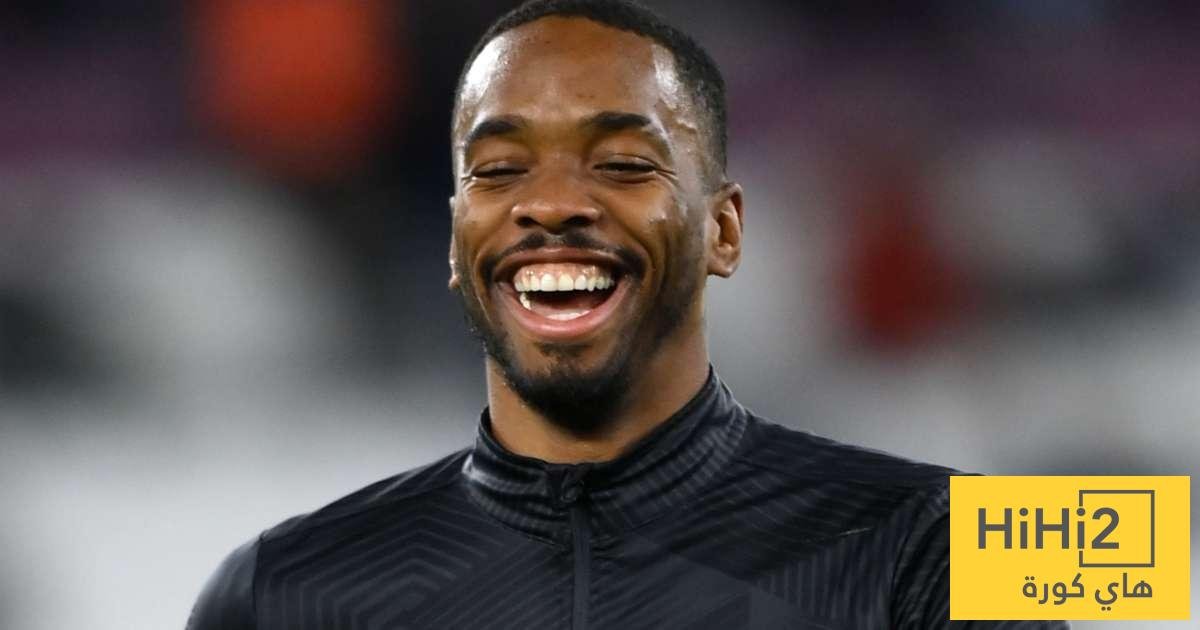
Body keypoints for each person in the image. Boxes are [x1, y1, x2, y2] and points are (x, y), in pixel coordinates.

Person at [188, 1, 1068, 628]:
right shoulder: (280, 587)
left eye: (621, 165)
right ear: (453, 237)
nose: (552, 208)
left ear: (724, 227)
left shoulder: (960, 546)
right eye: (501, 171)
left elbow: (1126, 565)